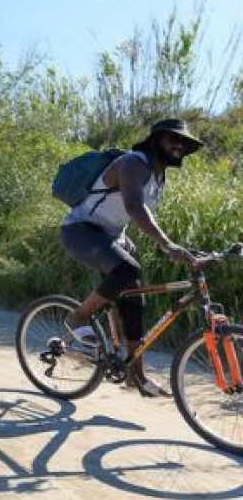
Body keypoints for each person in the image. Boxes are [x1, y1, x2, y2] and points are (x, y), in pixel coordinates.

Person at [61, 117, 203, 397]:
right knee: (126, 270)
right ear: (154, 140)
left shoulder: (159, 175)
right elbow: (134, 206)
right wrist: (165, 243)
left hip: (111, 235)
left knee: (134, 298)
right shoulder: (133, 163)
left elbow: (131, 216)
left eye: (184, 143)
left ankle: (135, 375)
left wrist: (182, 250)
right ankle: (77, 319)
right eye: (172, 139)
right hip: (81, 230)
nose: (179, 145)